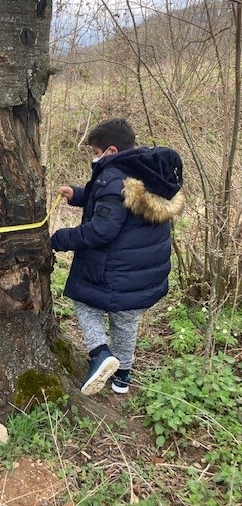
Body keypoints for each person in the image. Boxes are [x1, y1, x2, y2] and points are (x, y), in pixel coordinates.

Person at [51, 118, 184, 396]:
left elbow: (103, 229)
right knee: (125, 322)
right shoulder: (147, 173)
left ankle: (100, 353)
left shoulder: (112, 176)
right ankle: (122, 377)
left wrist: (61, 238)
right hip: (142, 274)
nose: (94, 157)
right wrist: (77, 194)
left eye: (95, 151)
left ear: (110, 151)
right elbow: (111, 200)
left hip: (116, 269)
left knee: (83, 303)